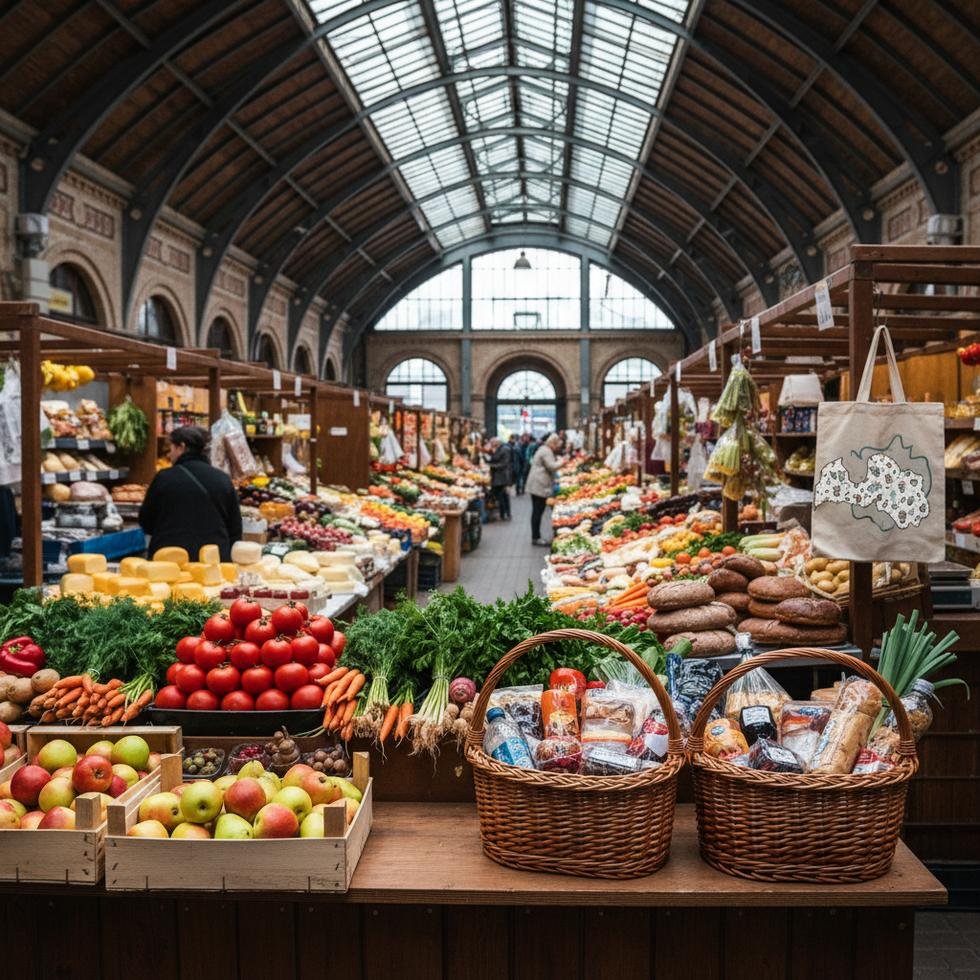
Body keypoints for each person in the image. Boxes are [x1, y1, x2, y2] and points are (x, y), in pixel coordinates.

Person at [139, 426, 242, 561]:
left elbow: (146, 522)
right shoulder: (223, 480)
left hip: (169, 561)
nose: (169, 454)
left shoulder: (164, 478)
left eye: (171, 448)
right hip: (212, 562)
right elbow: (235, 529)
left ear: (181, 447)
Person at [526, 433, 562, 545]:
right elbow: (552, 466)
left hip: (537, 484)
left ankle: (535, 536)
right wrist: (562, 462)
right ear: (553, 443)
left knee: (537, 511)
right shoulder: (546, 451)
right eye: (557, 445)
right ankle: (536, 538)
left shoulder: (543, 449)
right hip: (539, 485)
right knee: (538, 511)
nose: (558, 447)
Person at [487, 437, 513, 521]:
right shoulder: (500, 449)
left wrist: (491, 466)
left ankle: (505, 514)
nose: (491, 445)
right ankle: (505, 514)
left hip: (501, 477)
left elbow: (503, 463)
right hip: (499, 477)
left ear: (496, 442)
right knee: (503, 496)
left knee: (502, 496)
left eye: (492, 443)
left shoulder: (504, 449)